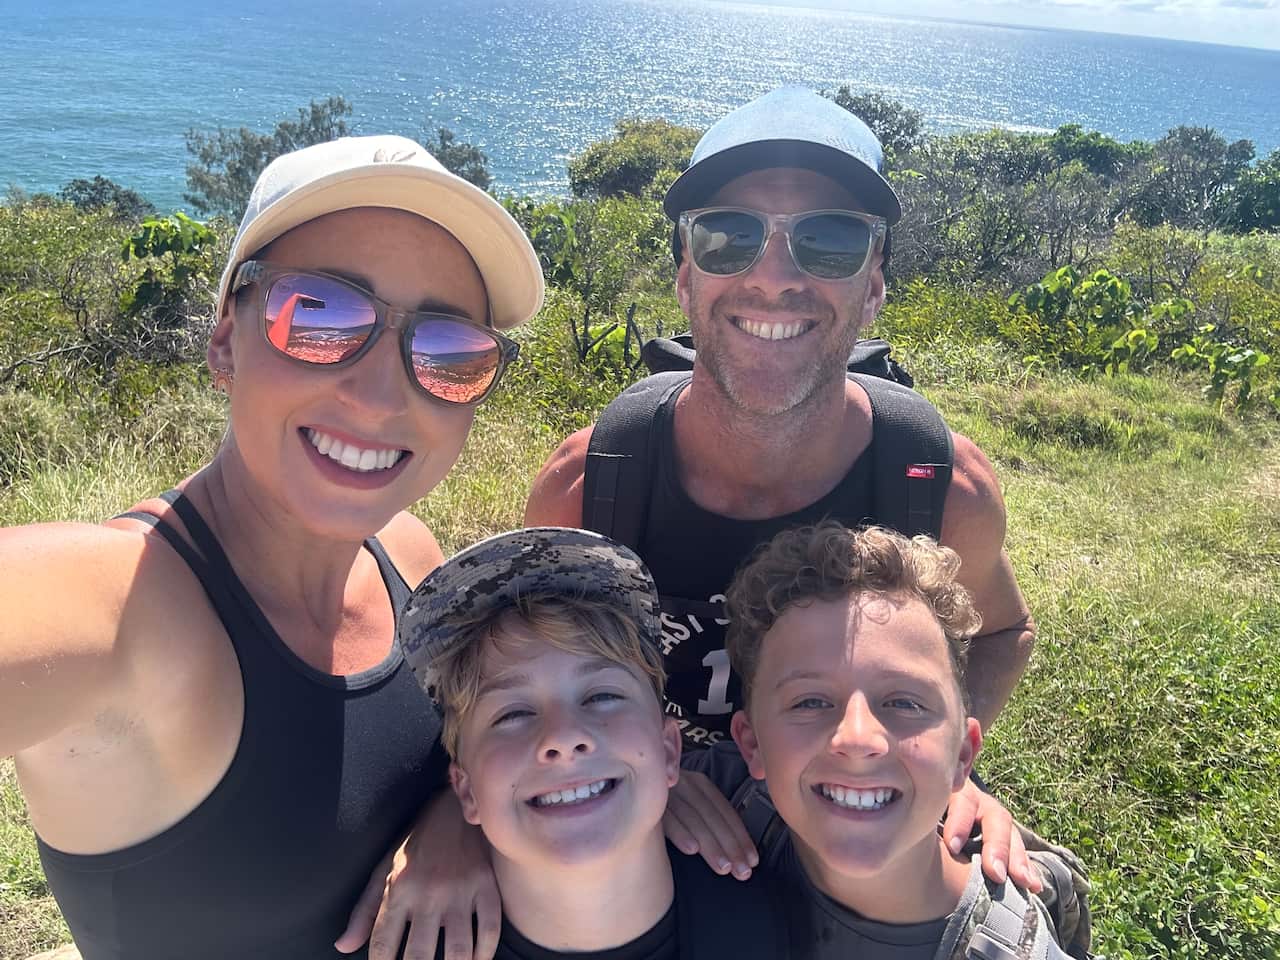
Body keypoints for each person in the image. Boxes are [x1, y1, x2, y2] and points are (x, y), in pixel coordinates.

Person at [1, 135, 544, 960]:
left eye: (447, 350)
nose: (380, 391)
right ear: (225, 340)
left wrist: (452, 824)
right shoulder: (121, 605)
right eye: (320, 315)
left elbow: (461, 754)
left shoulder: (409, 554)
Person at [524, 86, 1037, 887]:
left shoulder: (938, 488)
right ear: (686, 277)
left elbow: (1003, 635)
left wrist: (943, 769)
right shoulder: (591, 486)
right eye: (730, 236)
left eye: (828, 242)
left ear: (873, 286)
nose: (774, 275)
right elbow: (524, 677)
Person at [697, 522, 1089, 959]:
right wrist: (667, 792)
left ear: (963, 753)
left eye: (904, 703)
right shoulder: (724, 797)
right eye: (809, 702)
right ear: (752, 745)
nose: (858, 737)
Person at [397, 526, 788, 959]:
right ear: (465, 790)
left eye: (602, 696)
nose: (564, 738)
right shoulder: (407, 944)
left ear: (669, 751)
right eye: (513, 714)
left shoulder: (781, 921)